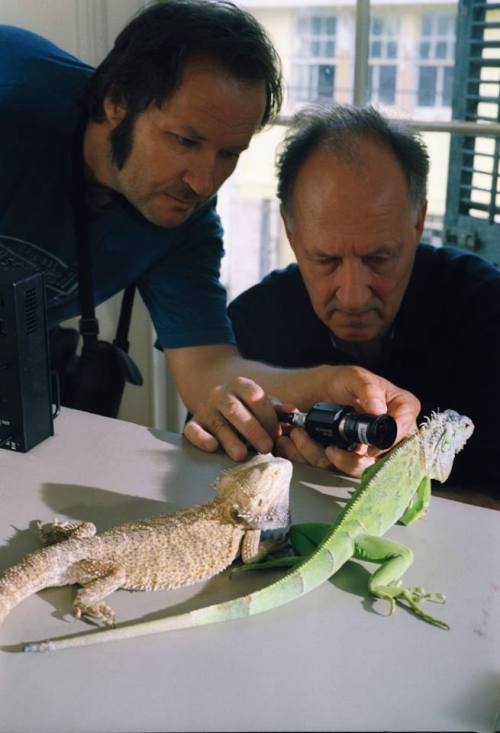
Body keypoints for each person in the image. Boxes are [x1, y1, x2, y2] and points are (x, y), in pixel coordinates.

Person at [0, 2, 419, 478]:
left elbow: (206, 371)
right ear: (117, 102)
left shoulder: (185, 218)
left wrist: (325, 383)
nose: (203, 182)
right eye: (184, 140)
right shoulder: (12, 109)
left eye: (229, 153)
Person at [228, 105, 500, 492]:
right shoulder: (250, 326)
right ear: (291, 234)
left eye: (378, 259)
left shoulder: (487, 313)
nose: (354, 298)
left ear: (418, 223)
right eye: (326, 260)